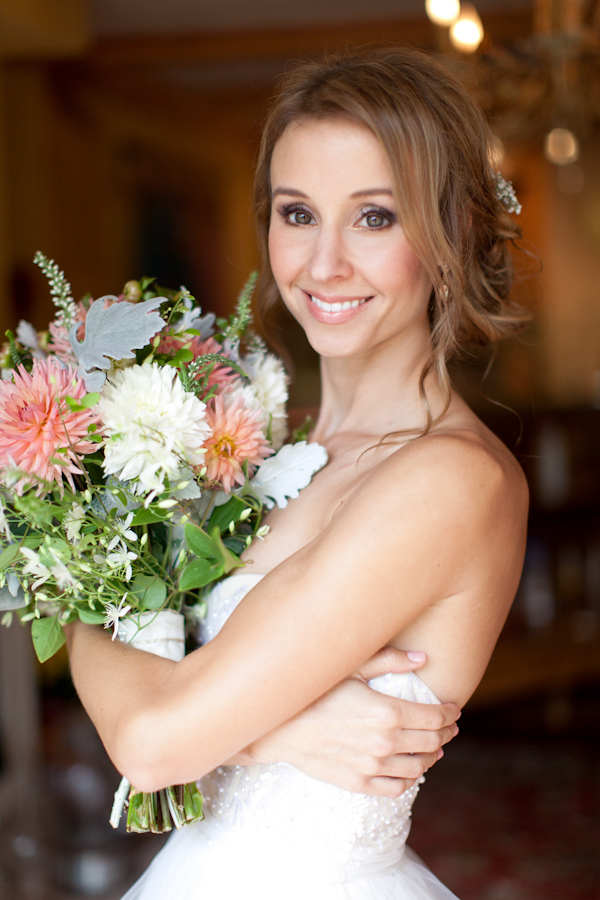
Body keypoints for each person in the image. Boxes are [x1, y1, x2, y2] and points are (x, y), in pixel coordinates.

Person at [66, 46, 529, 899]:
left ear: (455, 229)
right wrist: (277, 733)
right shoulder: (267, 448)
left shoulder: (451, 482)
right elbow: (166, 728)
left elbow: (152, 740)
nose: (324, 265)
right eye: (298, 213)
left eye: (375, 218)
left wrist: (76, 581)